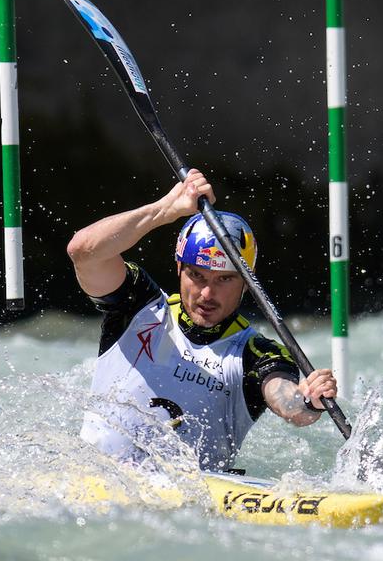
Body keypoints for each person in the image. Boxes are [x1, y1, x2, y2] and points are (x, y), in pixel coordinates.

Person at [67, 169, 338, 471]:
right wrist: (165, 210)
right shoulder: (136, 306)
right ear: (179, 268)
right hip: (96, 481)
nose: (207, 293)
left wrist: (309, 400)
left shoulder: (257, 353)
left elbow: (289, 404)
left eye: (224, 279)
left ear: (246, 284)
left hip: (187, 504)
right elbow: (84, 252)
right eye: (197, 275)